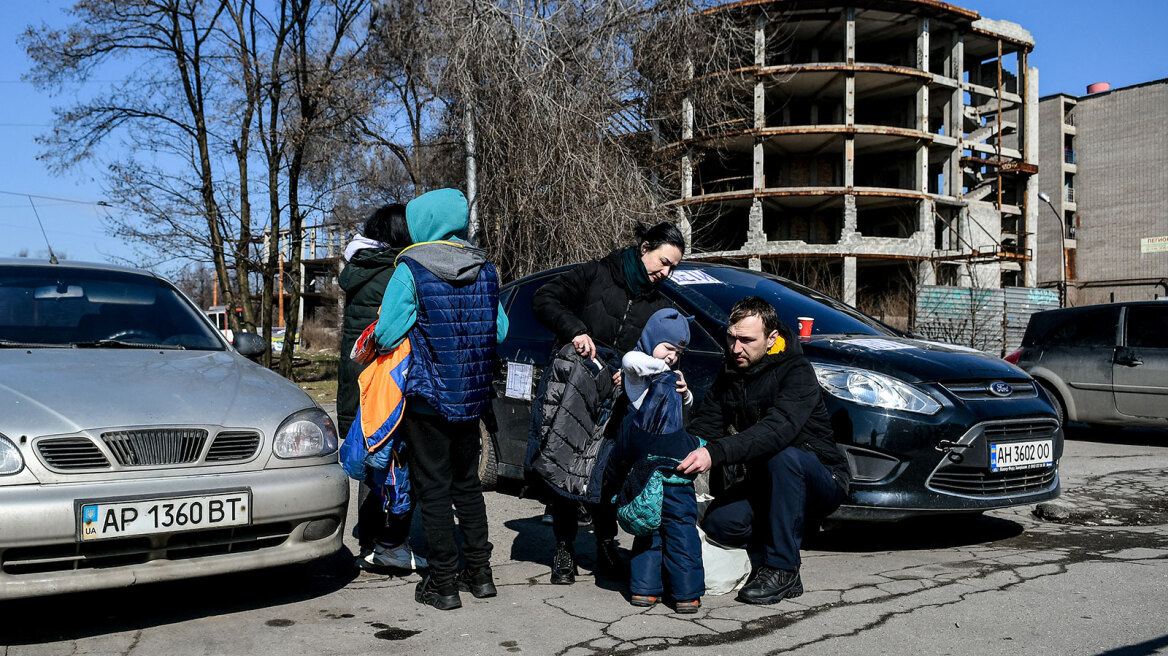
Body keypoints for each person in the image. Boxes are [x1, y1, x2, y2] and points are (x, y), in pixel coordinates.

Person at [373, 188, 510, 611]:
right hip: (471, 399)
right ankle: (481, 575)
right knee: (467, 486)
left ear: (422, 223)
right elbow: (500, 331)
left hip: (427, 400)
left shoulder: (410, 268)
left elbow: (386, 333)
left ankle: (444, 583)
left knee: (432, 490)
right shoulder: (485, 268)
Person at [532, 221, 686, 584]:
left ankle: (605, 544)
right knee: (566, 464)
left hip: (617, 398)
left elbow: (656, 352)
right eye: (663, 262)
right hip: (575, 386)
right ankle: (564, 549)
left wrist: (633, 372)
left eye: (673, 268)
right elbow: (544, 299)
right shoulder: (597, 273)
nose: (666, 273)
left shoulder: (658, 305)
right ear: (645, 248)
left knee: (604, 471)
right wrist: (575, 330)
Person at [678, 296, 850, 605]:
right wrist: (672, 453)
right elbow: (706, 426)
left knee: (784, 456)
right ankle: (781, 532)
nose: (736, 348)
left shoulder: (796, 371)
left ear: (771, 338)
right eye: (731, 338)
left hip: (820, 477)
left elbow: (776, 431)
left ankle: (783, 568)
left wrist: (715, 453)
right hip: (767, 480)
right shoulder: (731, 370)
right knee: (720, 524)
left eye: (746, 340)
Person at [337, 204, 425, 571]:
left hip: (358, 378)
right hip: (389, 380)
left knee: (369, 454)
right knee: (398, 457)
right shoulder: (399, 272)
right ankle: (393, 542)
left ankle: (369, 543)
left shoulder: (359, 269)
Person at [610, 309, 704, 613]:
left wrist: (686, 393)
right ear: (651, 340)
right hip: (661, 470)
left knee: (660, 528)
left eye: (678, 353)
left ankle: (656, 590)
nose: (672, 357)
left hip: (654, 470)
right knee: (669, 529)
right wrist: (663, 368)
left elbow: (686, 406)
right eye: (668, 348)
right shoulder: (639, 371)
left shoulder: (666, 374)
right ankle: (671, 591)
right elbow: (629, 360)